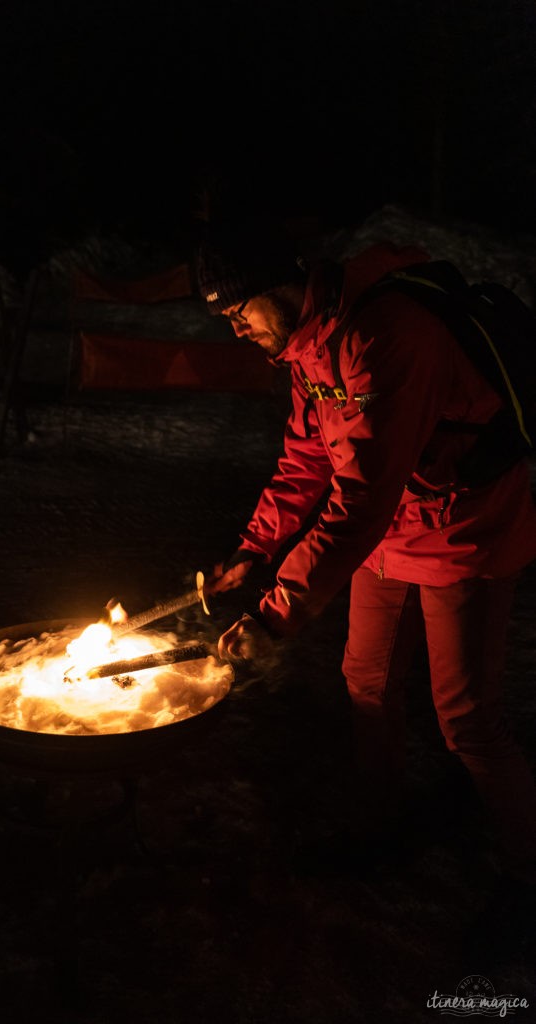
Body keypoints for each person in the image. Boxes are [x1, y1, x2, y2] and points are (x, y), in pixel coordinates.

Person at [195, 216, 536, 884]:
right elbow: (305, 459)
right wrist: (254, 549)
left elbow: (360, 498)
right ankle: (381, 824)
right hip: (389, 533)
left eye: (238, 311)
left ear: (279, 284)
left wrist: (274, 616)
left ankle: (530, 868)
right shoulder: (305, 346)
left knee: (466, 717)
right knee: (367, 685)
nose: (236, 328)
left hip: (464, 528)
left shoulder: (387, 334)